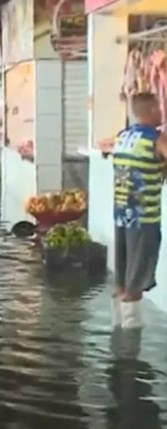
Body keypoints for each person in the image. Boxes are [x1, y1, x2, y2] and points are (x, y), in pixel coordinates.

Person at [105, 92, 167, 329]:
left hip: (121, 217)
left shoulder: (122, 138)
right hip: (144, 220)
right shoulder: (155, 139)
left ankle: (117, 339)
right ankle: (130, 353)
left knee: (121, 282)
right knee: (135, 286)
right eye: (159, 108)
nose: (162, 112)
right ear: (151, 111)